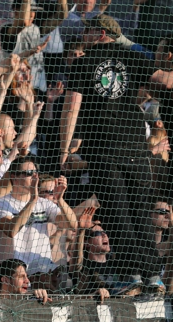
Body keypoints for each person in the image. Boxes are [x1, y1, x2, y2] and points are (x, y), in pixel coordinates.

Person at [60, 14, 173, 286]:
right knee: (140, 215)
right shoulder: (132, 58)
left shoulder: (82, 63)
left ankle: (131, 276)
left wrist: (63, 150)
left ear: (100, 34)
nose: (82, 36)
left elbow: (71, 107)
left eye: (87, 31)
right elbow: (167, 82)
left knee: (117, 214)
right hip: (136, 149)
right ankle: (152, 276)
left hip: (104, 150)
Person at [0, 158, 76, 289]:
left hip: (43, 274)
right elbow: (12, 230)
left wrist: (60, 200)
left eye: (36, 172)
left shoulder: (44, 203)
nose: (35, 176)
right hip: (15, 278)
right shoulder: (0, 203)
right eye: (29, 172)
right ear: (14, 177)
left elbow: (71, 224)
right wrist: (32, 200)